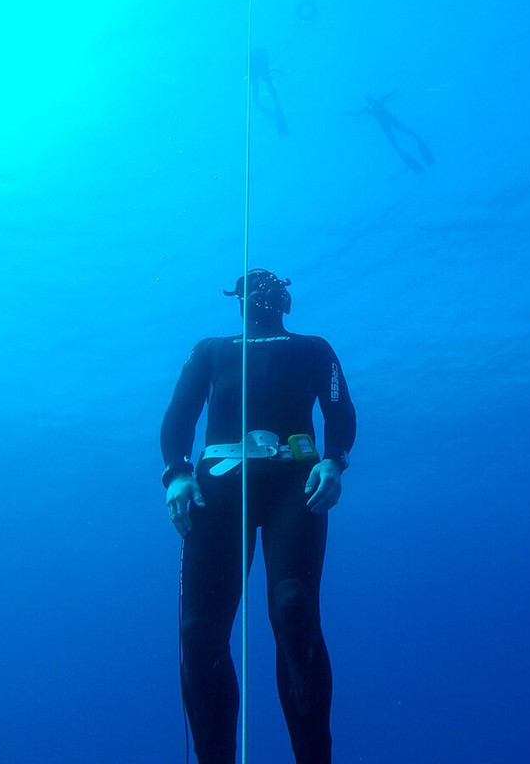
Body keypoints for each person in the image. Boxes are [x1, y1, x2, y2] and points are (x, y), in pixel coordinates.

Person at [161, 269, 356, 764]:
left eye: (272, 289)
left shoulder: (314, 348)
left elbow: (339, 408)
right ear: (240, 300)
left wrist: (334, 460)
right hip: (219, 484)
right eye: (255, 288)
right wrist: (177, 474)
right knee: (198, 633)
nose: (263, 294)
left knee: (293, 608)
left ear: (285, 301)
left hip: (297, 480)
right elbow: (180, 414)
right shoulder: (211, 349)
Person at [348, 90, 435, 174]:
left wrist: (349, 114)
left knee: (398, 140)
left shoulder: (372, 104)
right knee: (404, 135)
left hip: (385, 122)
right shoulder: (376, 101)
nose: (368, 100)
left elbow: (356, 114)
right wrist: (395, 91)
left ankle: (413, 163)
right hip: (388, 120)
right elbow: (389, 95)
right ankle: (416, 161)